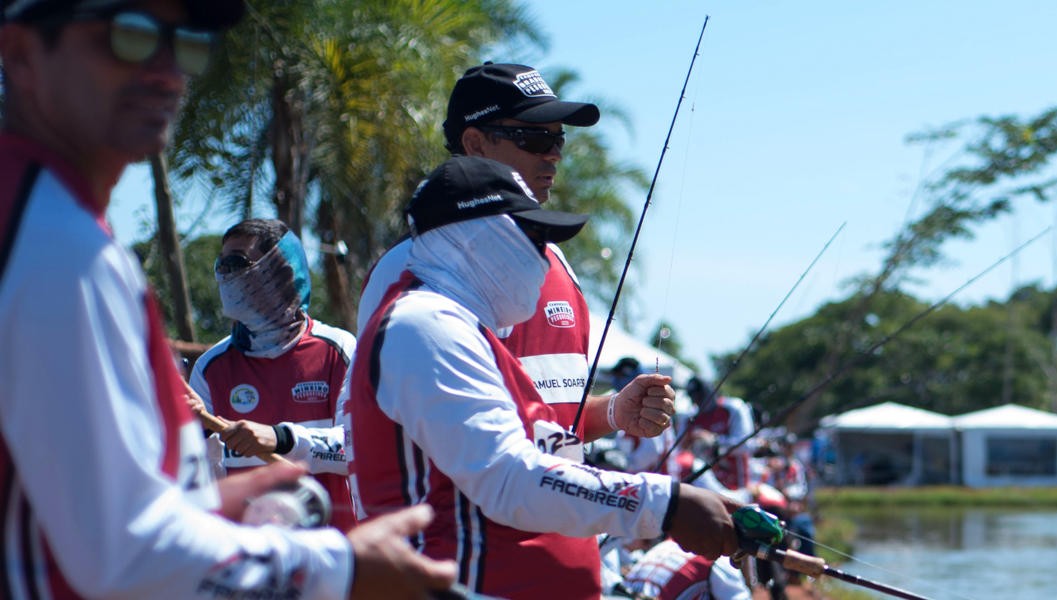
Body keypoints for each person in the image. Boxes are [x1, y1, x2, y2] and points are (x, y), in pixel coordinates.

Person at [0, 0, 453, 597]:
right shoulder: (57, 247)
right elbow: (128, 554)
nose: (167, 70)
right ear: (22, 55)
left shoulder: (56, 227)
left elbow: (88, 507)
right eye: (129, 35)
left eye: (184, 41)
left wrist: (206, 506)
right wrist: (339, 568)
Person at [344, 155, 740, 599]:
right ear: (475, 240)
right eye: (533, 236)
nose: (543, 256)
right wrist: (664, 505)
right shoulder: (423, 325)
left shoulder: (462, 329)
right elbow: (508, 478)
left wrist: (612, 413)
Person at [358, 62, 604, 440]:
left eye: (559, 139)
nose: (553, 154)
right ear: (474, 144)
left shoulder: (556, 259)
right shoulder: (403, 268)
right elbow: (381, 428)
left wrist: (616, 413)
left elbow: (556, 420)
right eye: (534, 138)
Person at [188, 218, 355, 528]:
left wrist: (281, 439)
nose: (225, 273)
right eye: (220, 264)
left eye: (237, 262)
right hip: (254, 562)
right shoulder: (211, 368)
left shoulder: (339, 350)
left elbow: (358, 451)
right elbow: (201, 482)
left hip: (336, 552)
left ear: (282, 271)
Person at [683, 376, 756, 489]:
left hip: (735, 486)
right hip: (704, 485)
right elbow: (680, 450)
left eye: (700, 395)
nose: (696, 401)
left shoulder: (733, 408)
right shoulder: (690, 418)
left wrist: (714, 441)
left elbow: (747, 445)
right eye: (693, 397)